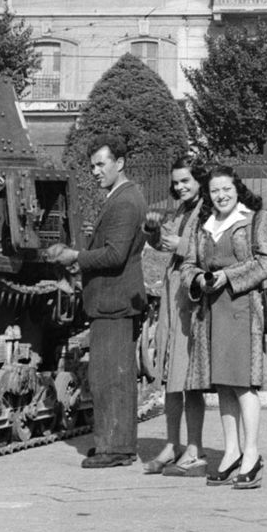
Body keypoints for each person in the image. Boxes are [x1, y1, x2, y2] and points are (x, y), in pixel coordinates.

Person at [43, 139, 147, 469]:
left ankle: (115, 450)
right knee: (108, 375)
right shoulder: (122, 197)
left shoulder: (125, 201)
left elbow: (115, 254)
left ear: (121, 162)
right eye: (93, 165)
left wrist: (76, 257)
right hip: (112, 299)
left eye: (102, 164)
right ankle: (114, 444)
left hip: (113, 299)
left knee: (110, 378)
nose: (96, 170)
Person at [189, 167, 267, 489]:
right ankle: (231, 453)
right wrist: (199, 279)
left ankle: (252, 455)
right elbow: (189, 265)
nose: (221, 196)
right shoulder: (204, 224)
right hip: (212, 311)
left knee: (243, 384)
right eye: (215, 191)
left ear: (237, 189)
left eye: (226, 189)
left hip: (242, 309)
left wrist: (229, 277)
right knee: (223, 384)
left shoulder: (257, 219)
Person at [141, 157, 209, 475]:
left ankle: (194, 448)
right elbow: (161, 241)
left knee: (190, 379)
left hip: (193, 304)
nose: (180, 186)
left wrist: (180, 245)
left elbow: (213, 249)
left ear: (199, 180)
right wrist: (153, 231)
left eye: (186, 181)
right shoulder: (182, 209)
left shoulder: (207, 210)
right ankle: (172, 444)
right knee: (171, 377)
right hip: (173, 299)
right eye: (177, 182)